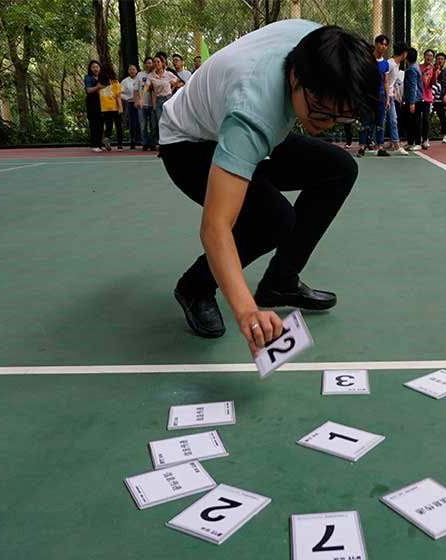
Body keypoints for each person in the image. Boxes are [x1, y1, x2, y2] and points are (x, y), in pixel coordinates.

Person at [157, 20, 378, 353]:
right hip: (189, 143)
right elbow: (216, 226)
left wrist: (326, 110)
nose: (328, 123)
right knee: (273, 219)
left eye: (341, 118)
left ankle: (280, 282)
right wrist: (247, 310)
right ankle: (194, 287)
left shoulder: (325, 49)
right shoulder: (253, 111)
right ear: (294, 77)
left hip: (235, 120)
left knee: (339, 168)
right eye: (320, 111)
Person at [358, 34, 391, 158]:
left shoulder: (386, 64)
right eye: (381, 43)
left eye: (385, 45)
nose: (383, 46)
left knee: (380, 123)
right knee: (365, 122)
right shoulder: (367, 60)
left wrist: (388, 98)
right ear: (376, 44)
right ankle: (362, 148)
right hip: (367, 97)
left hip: (381, 97)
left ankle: (380, 148)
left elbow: (386, 81)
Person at [143, 53, 183, 152]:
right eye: (154, 62)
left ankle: (173, 142)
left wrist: (173, 88)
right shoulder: (151, 76)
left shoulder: (168, 74)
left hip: (168, 99)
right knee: (160, 122)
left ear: (162, 63)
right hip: (158, 100)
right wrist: (141, 98)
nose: (156, 63)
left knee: (170, 121)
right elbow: (146, 87)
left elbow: (178, 82)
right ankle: (163, 144)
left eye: (158, 62)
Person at [386, 42, 408, 155]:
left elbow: (390, 81)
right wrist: (387, 97)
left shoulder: (396, 64)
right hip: (384, 96)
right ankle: (376, 144)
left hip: (389, 95)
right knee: (381, 120)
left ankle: (395, 144)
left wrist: (392, 90)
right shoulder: (390, 64)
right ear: (404, 54)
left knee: (393, 120)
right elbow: (383, 80)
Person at [98, 62, 124, 151]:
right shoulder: (115, 82)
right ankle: (120, 145)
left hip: (104, 107)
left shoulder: (99, 83)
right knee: (118, 126)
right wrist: (120, 107)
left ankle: (106, 137)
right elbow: (118, 96)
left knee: (108, 125)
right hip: (114, 106)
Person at [403, 47, 423, 151]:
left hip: (415, 100)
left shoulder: (412, 69)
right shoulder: (414, 67)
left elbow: (413, 86)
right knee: (410, 121)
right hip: (414, 99)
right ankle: (410, 142)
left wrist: (412, 103)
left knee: (416, 121)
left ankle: (418, 143)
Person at [431, 52, 446, 143]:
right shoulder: (431, 69)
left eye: (442, 59)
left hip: (441, 99)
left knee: (443, 118)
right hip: (431, 98)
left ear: (444, 61)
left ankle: (444, 135)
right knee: (427, 118)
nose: (440, 60)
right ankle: (424, 137)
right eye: (438, 59)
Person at [120, 63, 142, 149]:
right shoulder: (125, 81)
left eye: (133, 69)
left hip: (140, 103)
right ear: (128, 71)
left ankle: (141, 140)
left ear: (136, 70)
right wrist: (127, 98)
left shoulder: (140, 79)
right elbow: (120, 93)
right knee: (132, 122)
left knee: (141, 121)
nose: (132, 71)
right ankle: (132, 141)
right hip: (130, 103)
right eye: (130, 69)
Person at [84, 60, 103, 152]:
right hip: (92, 103)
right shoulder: (88, 78)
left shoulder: (102, 78)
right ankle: (94, 145)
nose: (96, 69)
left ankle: (99, 144)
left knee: (100, 124)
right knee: (94, 124)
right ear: (90, 69)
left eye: (97, 67)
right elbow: (88, 90)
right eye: (93, 67)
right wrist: (97, 87)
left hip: (102, 103)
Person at [419, 49, 436, 149]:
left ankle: (425, 139)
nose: (429, 57)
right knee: (417, 119)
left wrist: (434, 73)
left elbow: (432, 83)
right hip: (418, 96)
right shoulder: (418, 67)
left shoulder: (433, 69)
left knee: (426, 119)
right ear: (424, 56)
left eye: (431, 56)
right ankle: (417, 139)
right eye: (427, 55)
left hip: (427, 97)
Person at [139, 57, 156, 151]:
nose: (149, 65)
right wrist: (137, 100)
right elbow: (136, 90)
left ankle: (153, 143)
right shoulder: (140, 75)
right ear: (144, 64)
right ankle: (145, 143)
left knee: (153, 125)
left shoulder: (155, 74)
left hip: (153, 104)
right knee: (143, 126)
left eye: (150, 63)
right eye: (147, 63)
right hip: (142, 104)